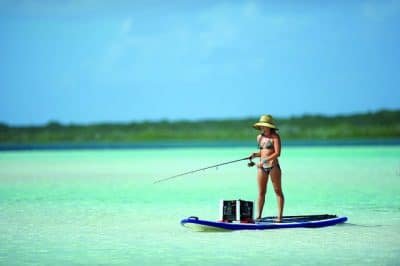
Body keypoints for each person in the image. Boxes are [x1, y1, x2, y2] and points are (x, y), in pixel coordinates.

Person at [249, 114, 284, 222]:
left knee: (277, 191)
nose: (262, 128)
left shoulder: (275, 137)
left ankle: (279, 217)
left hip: (273, 167)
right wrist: (255, 155)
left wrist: (265, 160)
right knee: (261, 192)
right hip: (261, 168)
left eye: (264, 126)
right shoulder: (259, 137)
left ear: (270, 126)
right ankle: (259, 216)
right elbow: (263, 152)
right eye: (261, 126)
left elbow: (277, 153)